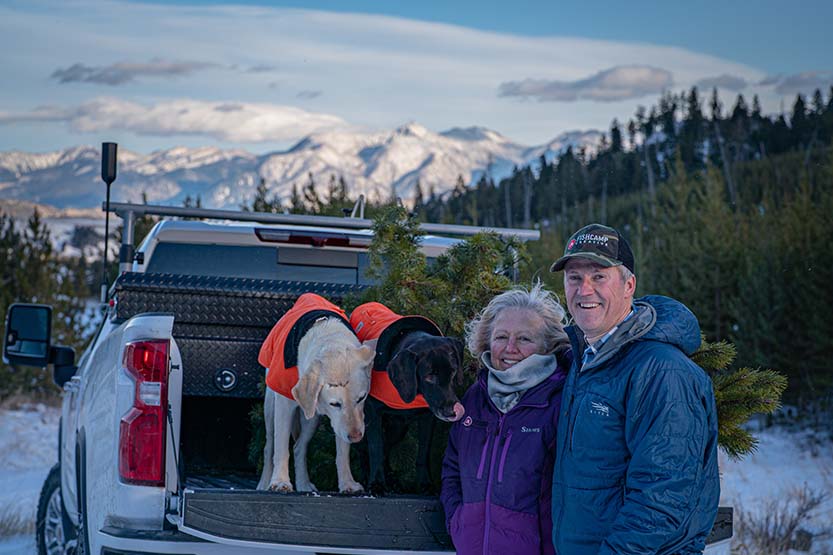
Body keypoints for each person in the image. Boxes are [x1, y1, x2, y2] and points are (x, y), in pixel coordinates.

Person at [549, 223, 720, 555]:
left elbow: (663, 496)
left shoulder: (661, 369)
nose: (584, 290)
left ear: (629, 285)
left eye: (598, 277)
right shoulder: (587, 360)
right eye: (574, 278)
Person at [440, 283, 571, 555]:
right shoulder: (475, 398)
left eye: (524, 339)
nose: (510, 348)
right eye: (501, 337)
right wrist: (457, 521)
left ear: (548, 345)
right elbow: (453, 468)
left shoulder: (560, 401)